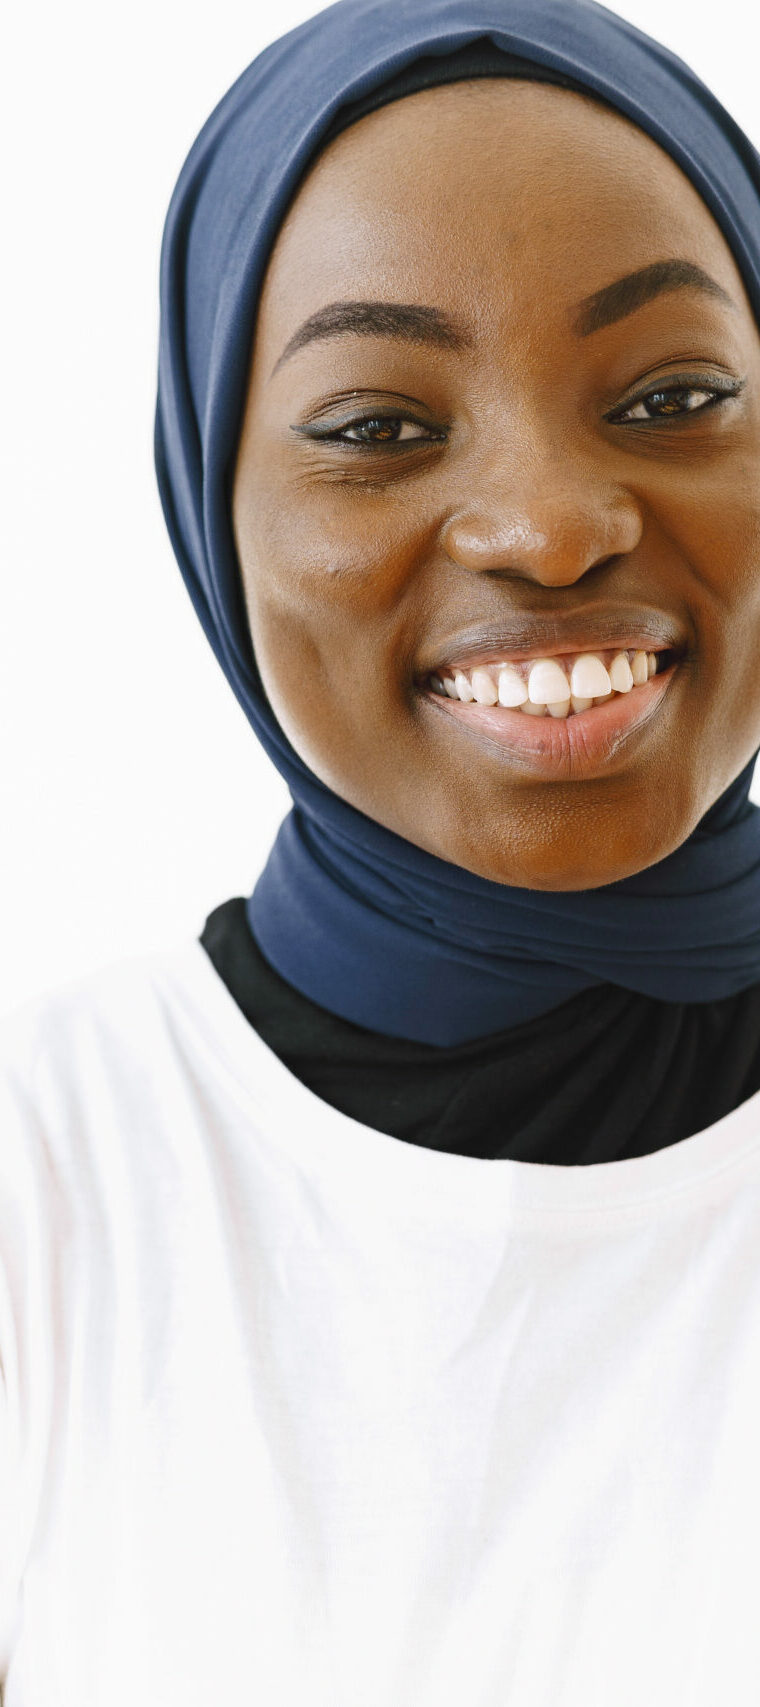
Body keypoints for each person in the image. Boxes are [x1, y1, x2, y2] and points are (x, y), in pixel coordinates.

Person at [3, 0, 760, 1698]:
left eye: (674, 394)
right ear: (214, 499)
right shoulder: (51, 1177)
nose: (555, 526)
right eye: (376, 427)